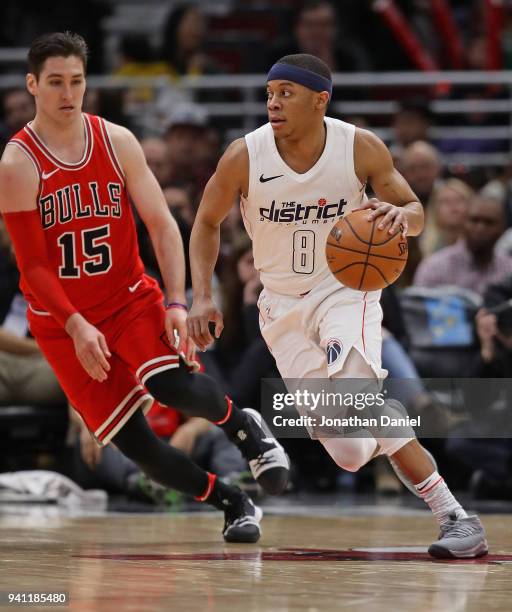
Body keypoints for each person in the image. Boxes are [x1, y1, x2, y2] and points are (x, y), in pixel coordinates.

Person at [188, 53, 488, 559]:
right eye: (270, 93)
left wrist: (400, 215)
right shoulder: (245, 155)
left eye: (287, 93)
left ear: (319, 100)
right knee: (349, 452)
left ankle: (456, 517)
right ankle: (383, 416)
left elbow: (414, 213)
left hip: (345, 289)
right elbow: (205, 223)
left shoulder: (358, 147)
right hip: (280, 305)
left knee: (357, 390)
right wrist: (201, 294)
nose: (274, 102)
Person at [0, 32, 290, 543]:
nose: (68, 94)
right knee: (136, 446)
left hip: (127, 295)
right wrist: (76, 324)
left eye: (76, 81)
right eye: (55, 83)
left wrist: (177, 301)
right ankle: (234, 502)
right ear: (33, 85)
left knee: (170, 384)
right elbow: (35, 269)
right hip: (62, 319)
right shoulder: (17, 163)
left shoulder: (117, 141)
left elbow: (161, 224)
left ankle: (246, 429)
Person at [414, 194, 512, 295]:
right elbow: (418, 307)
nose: (480, 228)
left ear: (502, 228)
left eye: (489, 222)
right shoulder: (435, 267)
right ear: (463, 222)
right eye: (474, 220)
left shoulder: (509, 269)